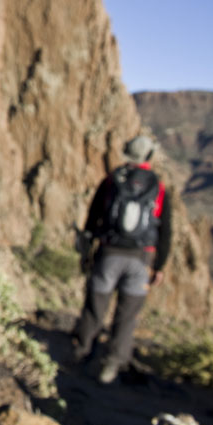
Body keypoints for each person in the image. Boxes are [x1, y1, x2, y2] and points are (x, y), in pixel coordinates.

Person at [72, 134, 172, 384]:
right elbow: (165, 230)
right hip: (141, 259)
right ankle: (113, 364)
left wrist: (87, 254)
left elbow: (92, 219)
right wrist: (159, 266)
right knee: (127, 315)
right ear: (148, 156)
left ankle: (81, 354)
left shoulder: (112, 180)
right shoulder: (157, 187)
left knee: (95, 306)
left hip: (108, 253)